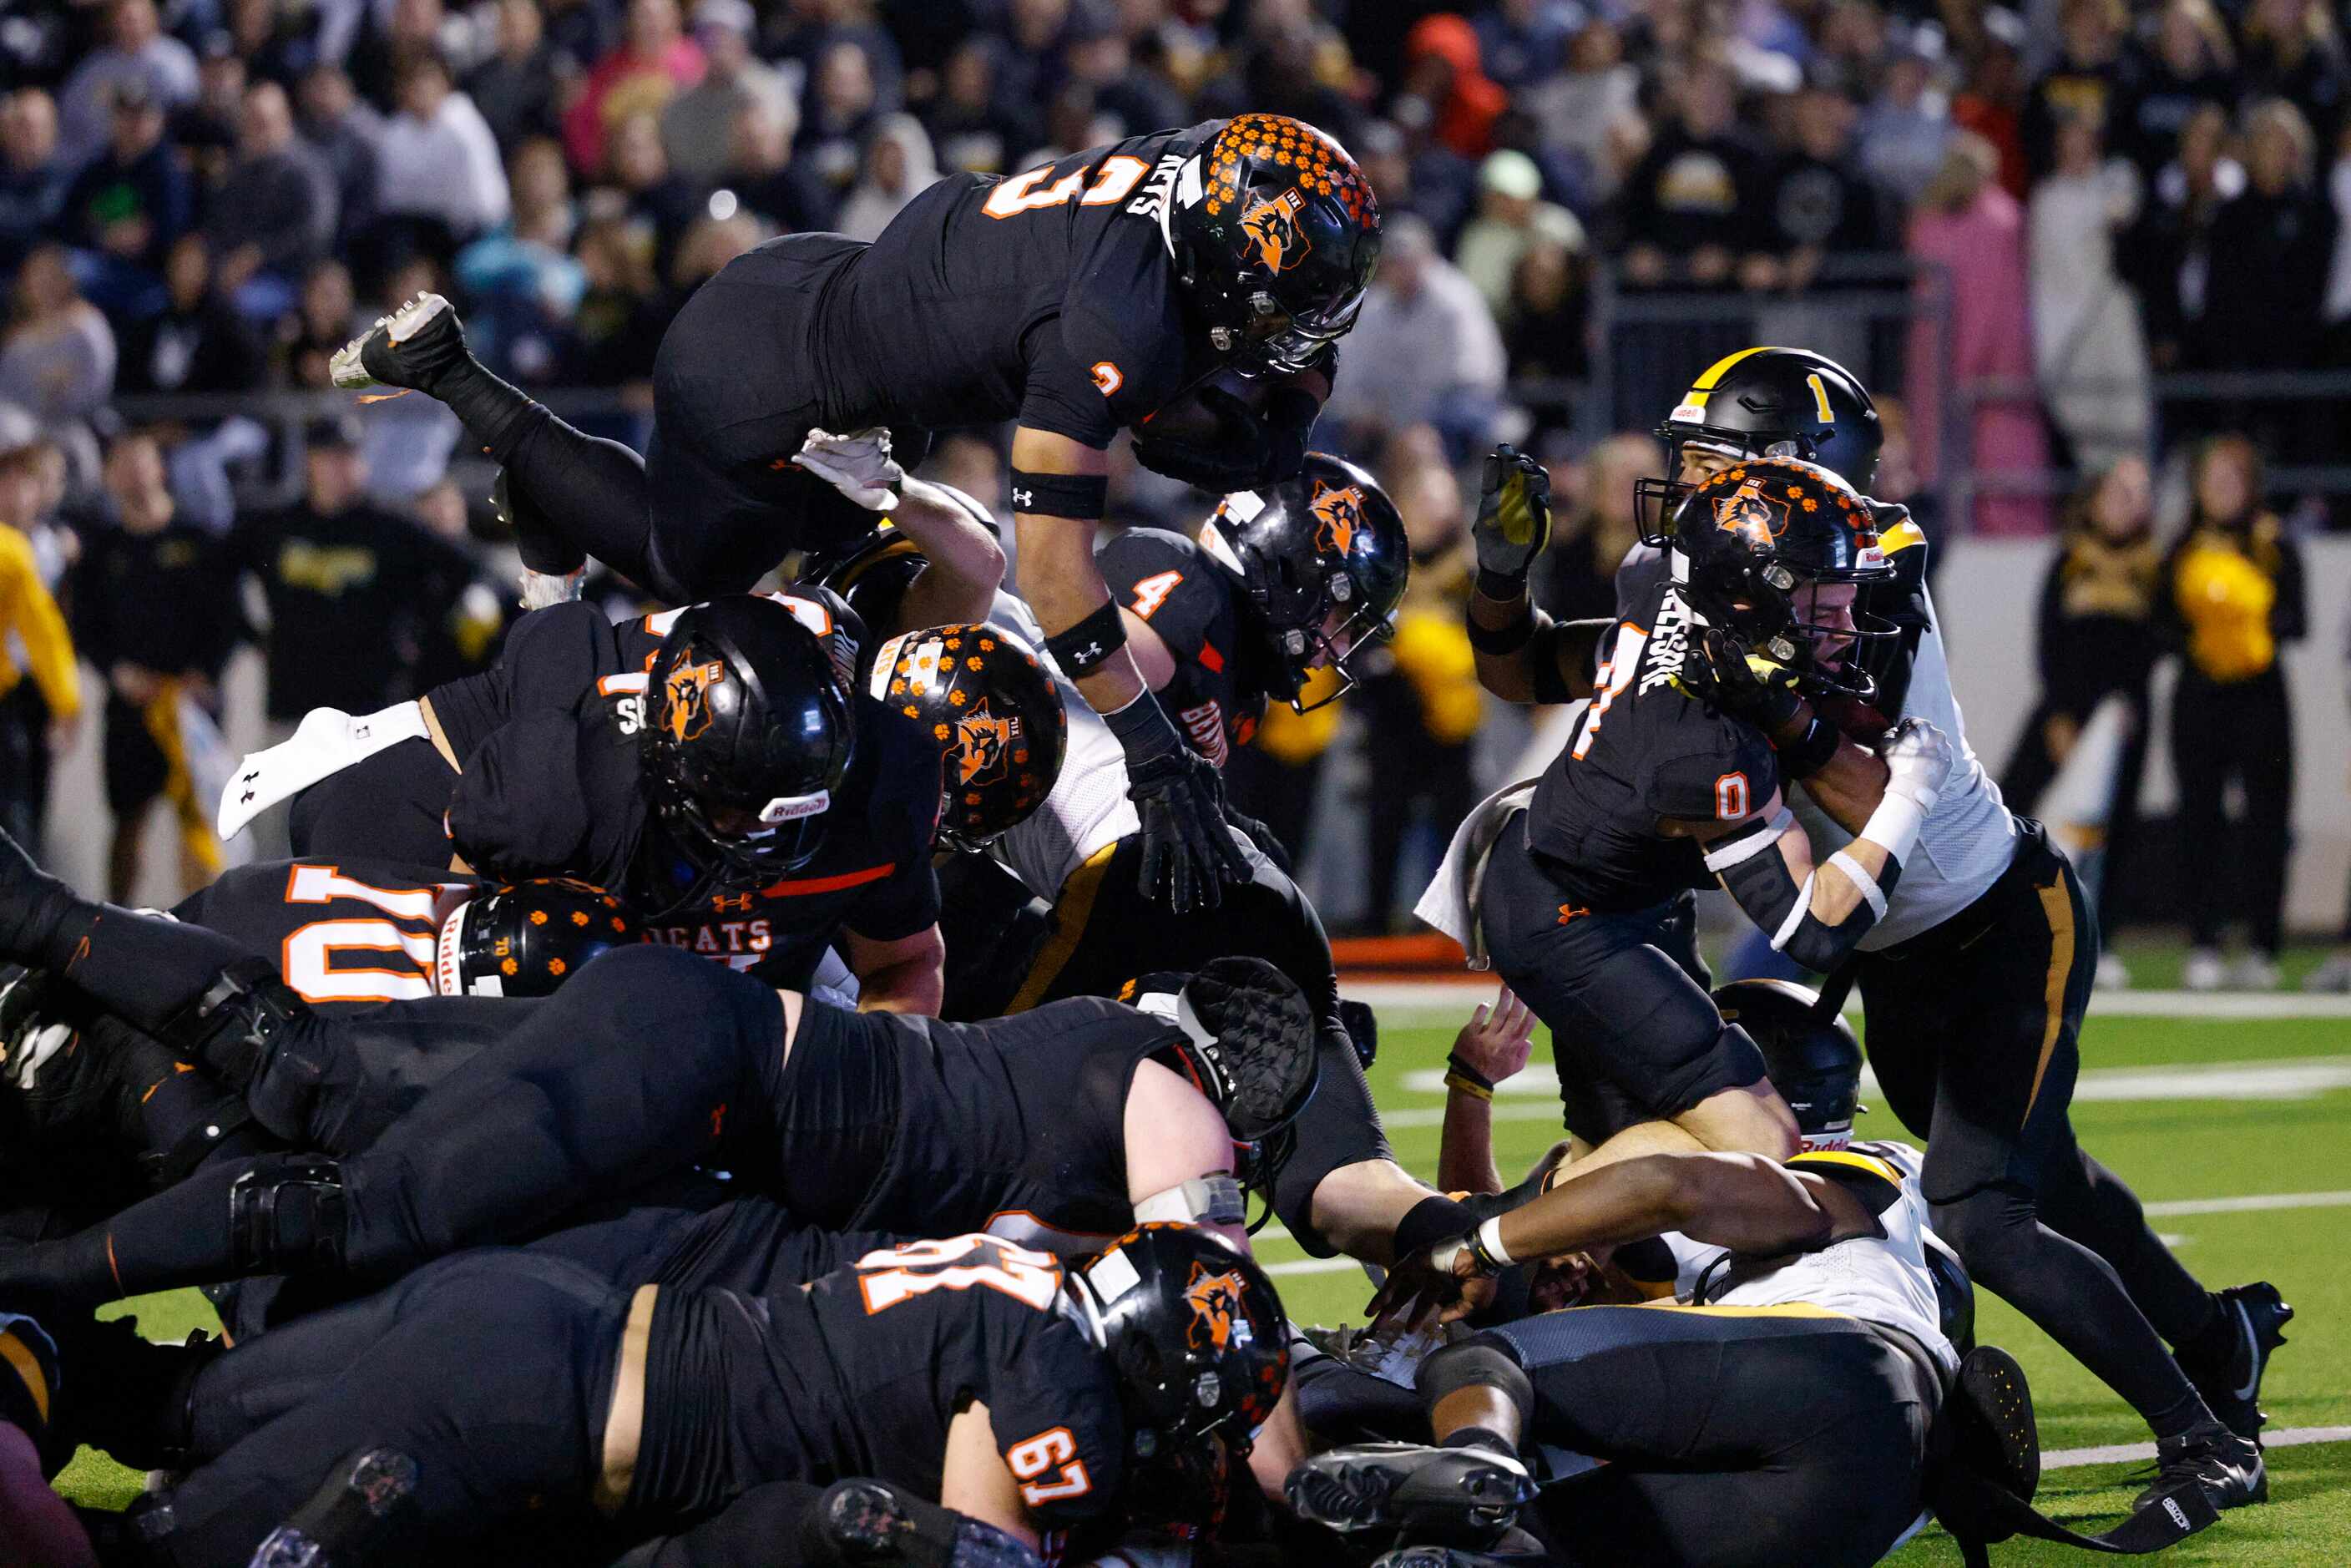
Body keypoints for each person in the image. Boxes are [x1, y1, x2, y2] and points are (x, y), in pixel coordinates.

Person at [328, 114, 1380, 918]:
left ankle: (546, 502)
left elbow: (1178, 415)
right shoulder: (1109, 321)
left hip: (846, 326)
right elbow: (1054, 577)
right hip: (769, 378)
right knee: (680, 564)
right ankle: (453, 376)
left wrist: (1284, 404)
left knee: (813, 594)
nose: (1297, 337)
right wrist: (1149, 753)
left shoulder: (1197, 165)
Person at [1631, 352, 2294, 1503]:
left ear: (1801, 472)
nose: (1693, 488)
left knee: (1980, 1208)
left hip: (2001, 921)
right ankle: (2217, 1339)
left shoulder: (1869, 574)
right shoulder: (1720, 574)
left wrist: (1755, 701)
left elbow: (1868, 782)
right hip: (1901, 955)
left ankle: (2204, 1436)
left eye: (1720, 464)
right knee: (2051, 1181)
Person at [5, 1225, 1287, 1566]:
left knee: (160, 1407)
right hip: (530, 1408)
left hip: (535, 1308)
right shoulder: (1056, 1380)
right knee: (160, 1554)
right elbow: (970, 1550)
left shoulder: (1018, 1273)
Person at [1454, 432, 1944, 1176]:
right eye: (1826, 602)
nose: (1846, 625)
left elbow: (1533, 665)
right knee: (1765, 1143)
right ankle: (1492, 1237)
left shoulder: (1670, 591)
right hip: (1574, 919)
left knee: (1636, 1196)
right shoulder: (1704, 753)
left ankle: (1543, 1246)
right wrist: (1913, 791)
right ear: (1752, 599)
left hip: (1615, 891)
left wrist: (1501, 581)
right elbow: (1810, 928)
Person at [2000, 457, 2161, 987]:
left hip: (2123, 718)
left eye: (2139, 494)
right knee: (2010, 810)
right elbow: (2049, 641)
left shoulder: (2153, 566)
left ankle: (2100, 939)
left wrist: (2125, 712)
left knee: (2113, 830)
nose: (2128, 504)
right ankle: (1990, 925)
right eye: (2119, 492)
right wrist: (2060, 714)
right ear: (2094, 499)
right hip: (2064, 710)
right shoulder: (2071, 560)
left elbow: (2155, 647)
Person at [69, 428, 243, 904]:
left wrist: (204, 674)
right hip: (131, 707)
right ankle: (117, 927)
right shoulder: (102, 553)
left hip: (194, 706)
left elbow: (231, 619)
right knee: (129, 819)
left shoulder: (201, 540)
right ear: (107, 478)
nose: (131, 473)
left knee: (200, 820)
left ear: (161, 468)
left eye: (139, 460)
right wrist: (117, 673)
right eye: (119, 464)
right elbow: (85, 628)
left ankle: (203, 926)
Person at [2163, 434, 2305, 991]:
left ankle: (2264, 947)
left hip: (2261, 697)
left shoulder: (2272, 544)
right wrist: (2203, 641)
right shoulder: (2181, 549)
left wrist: (2249, 633)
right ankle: (2203, 942)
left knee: (2267, 821)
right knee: (2199, 820)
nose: (2223, 490)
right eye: (2213, 479)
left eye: (2233, 479)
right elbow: (2163, 623)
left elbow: (2298, 618)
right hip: (2200, 697)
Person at [0, 447, 77, 856]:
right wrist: (68, 700)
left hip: (24, 691)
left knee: (26, 805)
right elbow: (43, 629)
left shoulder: (43, 546)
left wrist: (62, 701)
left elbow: (48, 629)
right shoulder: (13, 551)